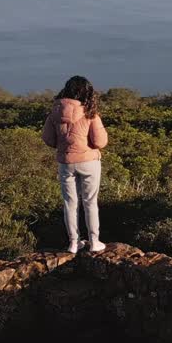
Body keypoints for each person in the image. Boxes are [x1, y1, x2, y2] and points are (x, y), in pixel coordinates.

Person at [42, 75, 109, 253]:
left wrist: (62, 145)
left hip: (65, 163)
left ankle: (73, 243)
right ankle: (94, 242)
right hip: (89, 162)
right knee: (90, 202)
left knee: (69, 204)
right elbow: (100, 142)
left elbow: (48, 139)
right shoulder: (90, 113)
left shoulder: (54, 113)